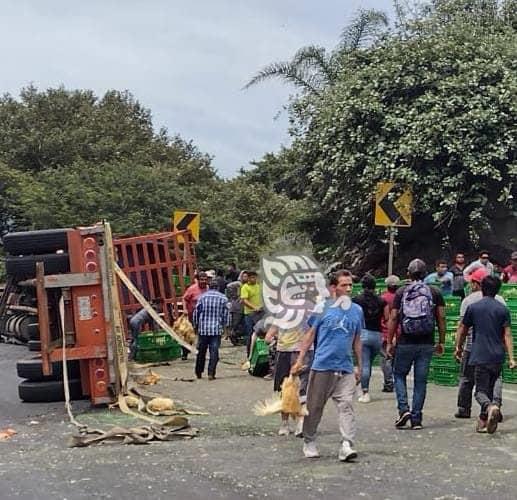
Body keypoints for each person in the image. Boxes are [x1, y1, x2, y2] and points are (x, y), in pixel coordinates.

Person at [291, 270, 363, 462]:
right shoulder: (322, 308)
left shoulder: (357, 310)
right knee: (315, 407)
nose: (348, 288)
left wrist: (359, 365)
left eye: (350, 285)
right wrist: (300, 359)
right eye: (344, 285)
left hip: (345, 366)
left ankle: (347, 444)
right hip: (323, 365)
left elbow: (357, 340)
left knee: (346, 404)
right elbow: (310, 335)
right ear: (333, 288)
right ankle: (309, 440)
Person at [387, 258, 446, 430]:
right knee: (421, 381)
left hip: (405, 341)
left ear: (408, 274)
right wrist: (441, 340)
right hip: (426, 342)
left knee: (399, 375)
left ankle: (403, 409)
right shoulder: (435, 292)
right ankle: (417, 418)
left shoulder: (401, 292)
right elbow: (441, 318)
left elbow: (393, 317)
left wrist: (390, 341)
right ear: (426, 273)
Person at [455, 276, 515, 434]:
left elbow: (463, 330)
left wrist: (458, 347)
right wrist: (511, 358)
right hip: (497, 355)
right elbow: (507, 335)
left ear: (482, 288)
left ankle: (491, 407)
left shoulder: (474, 307)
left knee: (480, 391)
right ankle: (484, 420)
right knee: (491, 385)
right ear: (498, 290)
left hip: (480, 354)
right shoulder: (503, 309)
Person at [265, 307, 314, 437]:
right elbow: (273, 328)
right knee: (285, 388)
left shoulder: (310, 309)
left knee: (303, 387)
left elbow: (313, 328)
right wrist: (270, 336)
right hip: (285, 351)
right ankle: (287, 423)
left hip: (302, 352)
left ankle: (300, 423)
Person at [352, 274, 388, 403]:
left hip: (363, 334)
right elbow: (387, 318)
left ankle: (365, 392)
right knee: (369, 364)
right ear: (375, 286)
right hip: (377, 335)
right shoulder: (381, 301)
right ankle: (361, 384)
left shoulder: (356, 300)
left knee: (364, 364)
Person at [192, 278, 229, 380]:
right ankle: (211, 373)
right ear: (218, 288)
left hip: (203, 329)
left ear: (209, 287)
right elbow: (226, 315)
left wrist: (195, 325)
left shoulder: (202, 297)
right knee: (214, 351)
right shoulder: (223, 298)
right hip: (216, 329)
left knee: (201, 352)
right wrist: (226, 329)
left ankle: (198, 372)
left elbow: (196, 312)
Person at [379, 275, 400, 392]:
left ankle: (388, 383)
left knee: (386, 357)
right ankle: (398, 381)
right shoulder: (400, 297)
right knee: (396, 358)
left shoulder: (383, 298)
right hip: (399, 331)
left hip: (385, 331)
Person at [182, 271, 209, 360]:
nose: (203, 281)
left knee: (202, 334)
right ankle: (185, 352)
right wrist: (185, 309)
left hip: (203, 316)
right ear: (198, 280)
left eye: (205, 280)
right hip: (192, 315)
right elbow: (184, 299)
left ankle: (200, 352)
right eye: (201, 280)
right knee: (189, 335)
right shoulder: (192, 289)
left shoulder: (208, 289)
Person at [240, 271, 263, 356]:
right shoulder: (245, 287)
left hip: (260, 313)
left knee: (260, 333)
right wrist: (254, 307)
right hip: (249, 314)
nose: (254, 279)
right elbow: (244, 300)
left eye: (255, 277)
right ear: (248, 278)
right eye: (252, 277)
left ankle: (259, 353)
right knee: (249, 334)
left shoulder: (259, 286)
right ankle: (249, 354)